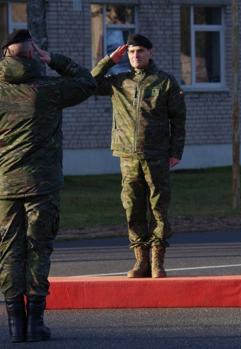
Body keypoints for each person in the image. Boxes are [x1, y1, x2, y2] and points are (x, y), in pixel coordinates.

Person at [0, 30, 96, 343]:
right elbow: (88, 82)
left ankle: (15, 326)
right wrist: (55, 59)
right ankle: (35, 323)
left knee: (11, 253)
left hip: (3, 188)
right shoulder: (48, 89)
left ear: (4, 55)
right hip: (42, 185)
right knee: (38, 250)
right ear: (34, 54)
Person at [91, 34, 186, 279]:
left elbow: (178, 119)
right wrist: (109, 61)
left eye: (140, 51)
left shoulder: (165, 82)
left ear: (150, 52)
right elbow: (88, 82)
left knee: (158, 208)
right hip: (128, 156)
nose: (136, 56)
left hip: (157, 155)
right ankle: (140, 260)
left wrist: (176, 151)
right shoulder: (119, 81)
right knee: (132, 207)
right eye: (132, 52)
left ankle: (157, 261)